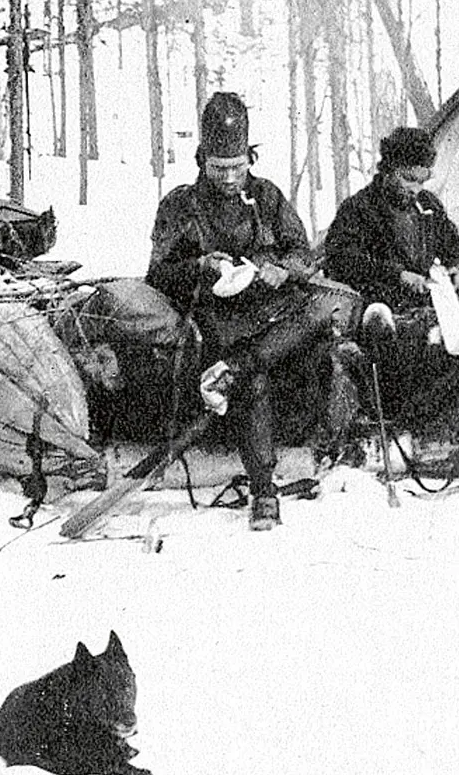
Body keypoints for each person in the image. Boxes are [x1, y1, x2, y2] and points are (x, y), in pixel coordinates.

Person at [145, 91, 354, 530]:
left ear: (250, 158)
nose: (229, 177)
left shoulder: (266, 197)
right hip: (219, 318)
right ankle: (264, 492)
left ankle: (234, 369)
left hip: (273, 310)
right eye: (218, 168)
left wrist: (280, 269)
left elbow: (303, 255)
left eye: (237, 167)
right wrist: (201, 265)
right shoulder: (181, 205)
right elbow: (158, 275)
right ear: (202, 160)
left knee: (324, 308)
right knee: (252, 380)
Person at [322, 125, 459, 429]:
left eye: (422, 181)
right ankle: (400, 411)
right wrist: (397, 275)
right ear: (388, 170)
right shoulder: (359, 208)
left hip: (424, 297)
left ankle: (457, 403)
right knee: (385, 323)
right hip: (378, 298)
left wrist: (457, 269)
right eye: (408, 179)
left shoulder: (427, 206)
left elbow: (454, 246)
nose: (415, 189)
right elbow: (341, 259)